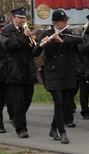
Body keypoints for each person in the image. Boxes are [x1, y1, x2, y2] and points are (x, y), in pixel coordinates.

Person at [34, 9, 82, 144]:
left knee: (65, 103)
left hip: (67, 72)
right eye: (63, 21)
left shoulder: (68, 32)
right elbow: (35, 52)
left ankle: (53, 128)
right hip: (52, 73)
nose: (66, 23)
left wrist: (63, 41)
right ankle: (62, 132)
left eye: (66, 20)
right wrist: (43, 43)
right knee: (59, 102)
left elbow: (80, 39)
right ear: (55, 22)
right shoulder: (47, 33)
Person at [0, 8, 38, 138]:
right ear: (13, 18)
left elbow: (32, 51)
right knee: (18, 101)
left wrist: (33, 41)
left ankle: (17, 119)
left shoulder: (25, 30)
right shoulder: (6, 31)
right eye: (20, 18)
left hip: (27, 69)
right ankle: (21, 129)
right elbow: (9, 46)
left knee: (28, 98)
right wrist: (23, 37)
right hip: (14, 70)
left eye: (24, 18)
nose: (22, 21)